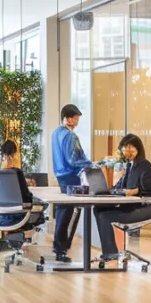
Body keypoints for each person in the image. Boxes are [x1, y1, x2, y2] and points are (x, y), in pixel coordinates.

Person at [93, 134, 151, 262]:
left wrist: (133, 191)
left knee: (104, 216)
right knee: (98, 209)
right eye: (124, 148)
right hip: (127, 207)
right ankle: (110, 251)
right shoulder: (129, 166)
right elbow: (120, 186)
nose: (126, 150)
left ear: (138, 148)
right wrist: (110, 191)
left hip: (141, 209)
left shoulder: (145, 165)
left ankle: (111, 253)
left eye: (130, 147)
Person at [50, 104, 94, 262]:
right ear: (69, 118)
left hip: (60, 176)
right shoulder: (70, 136)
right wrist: (90, 163)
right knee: (68, 212)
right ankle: (61, 247)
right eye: (76, 118)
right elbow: (73, 159)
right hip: (71, 176)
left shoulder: (55, 133)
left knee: (63, 211)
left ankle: (59, 246)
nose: (77, 122)